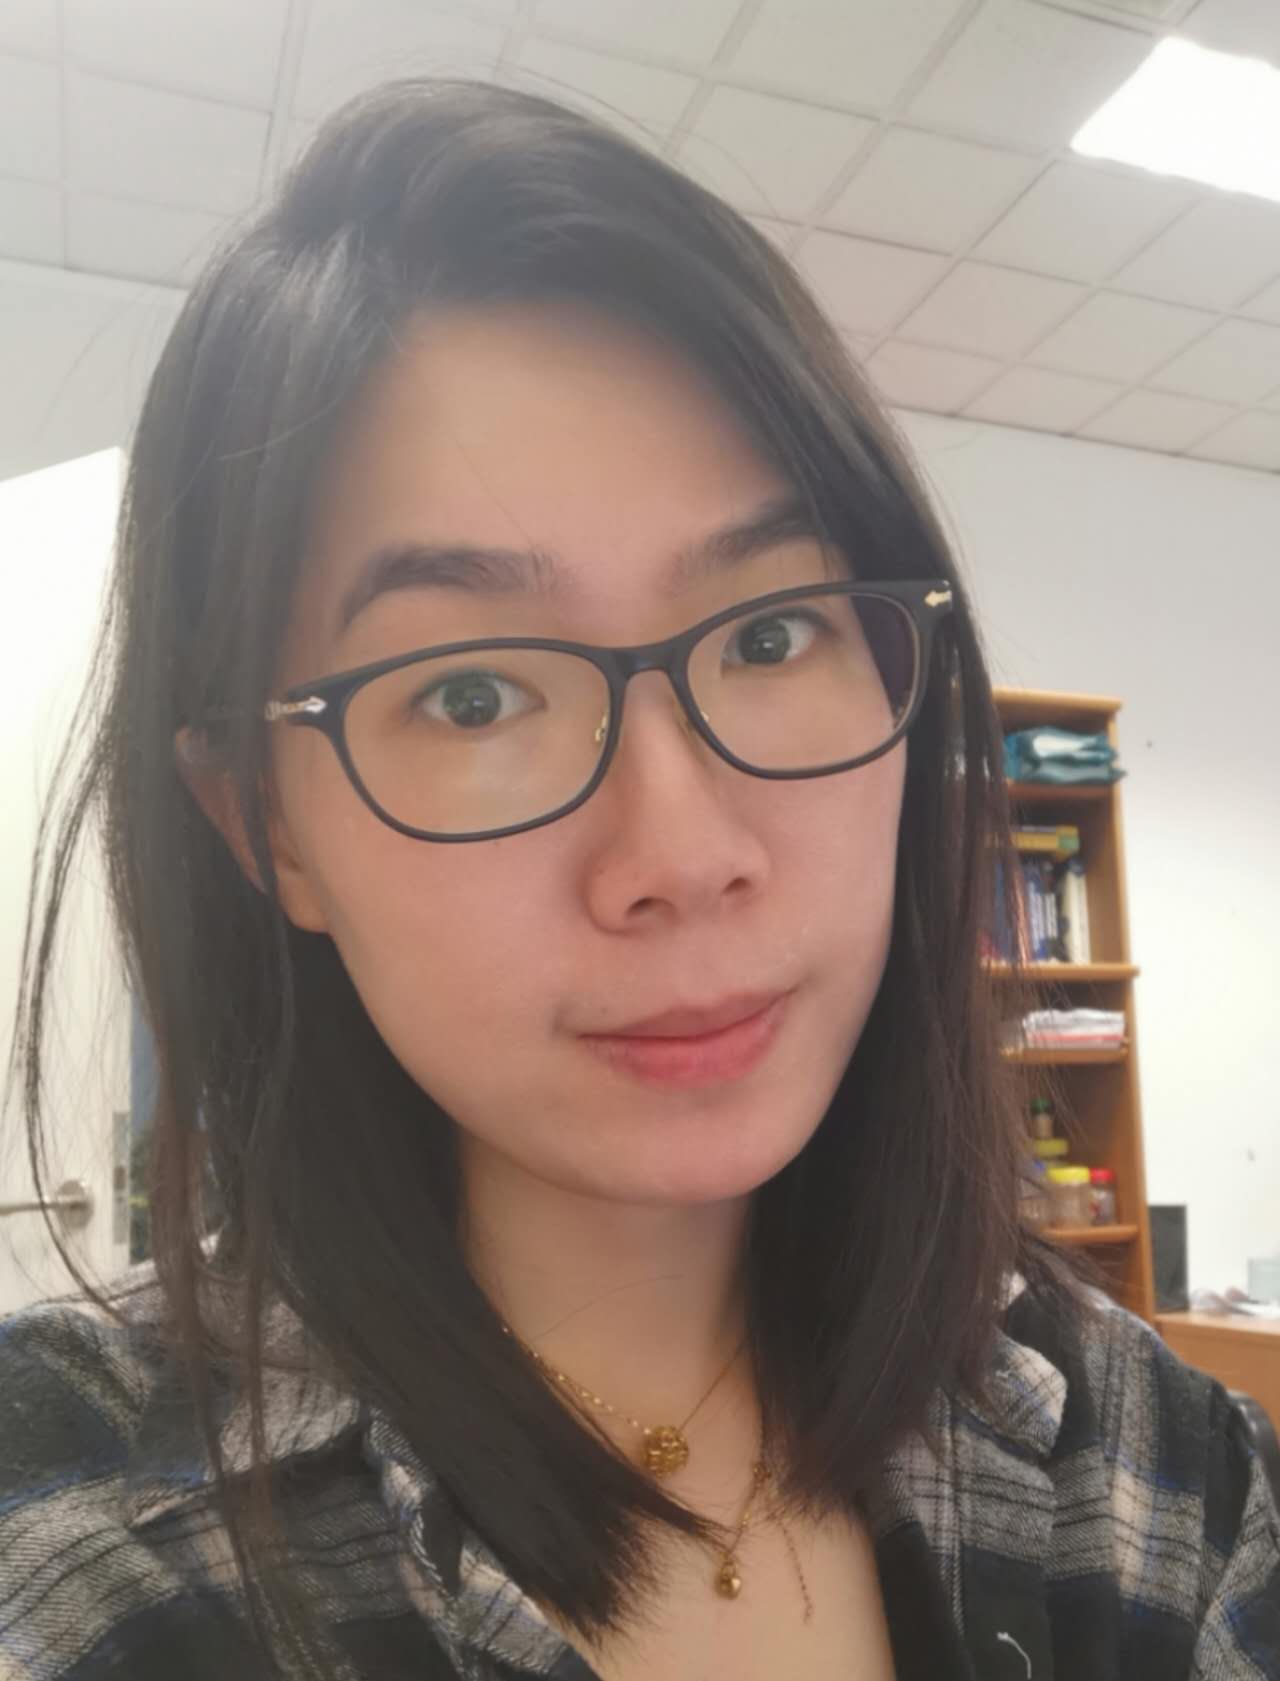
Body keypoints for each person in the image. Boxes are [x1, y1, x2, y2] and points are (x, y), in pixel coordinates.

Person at [1, 77, 1276, 1681]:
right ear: (269, 826)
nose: (681, 855)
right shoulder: (79, 1544)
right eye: (474, 693)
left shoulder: (1158, 1468)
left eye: (771, 633)